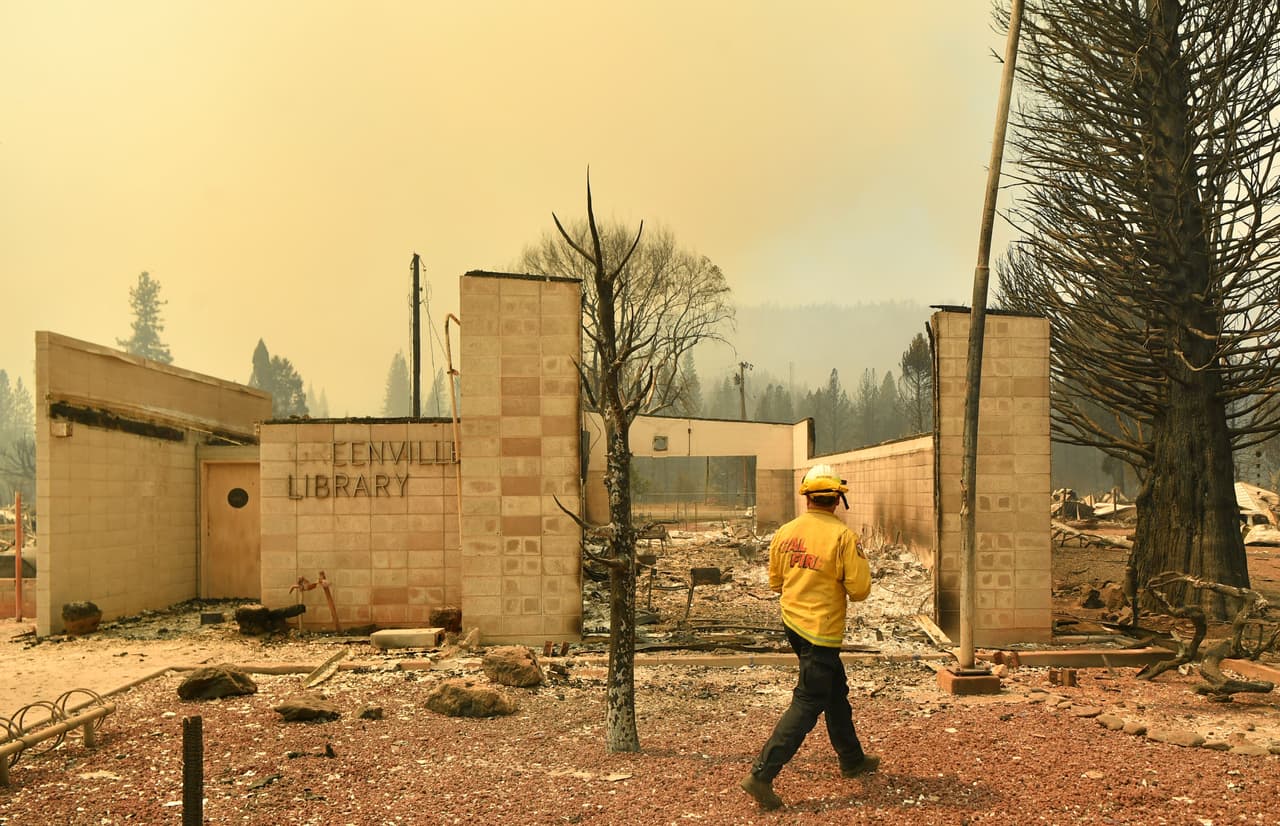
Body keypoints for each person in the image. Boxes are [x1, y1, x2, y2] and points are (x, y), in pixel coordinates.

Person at [740, 464, 879, 811]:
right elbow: (859, 590)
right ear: (837, 499)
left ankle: (851, 758)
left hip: (793, 623)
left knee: (834, 689)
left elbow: (776, 583)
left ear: (807, 499)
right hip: (822, 631)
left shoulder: (785, 533)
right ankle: (762, 774)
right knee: (809, 700)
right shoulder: (844, 537)